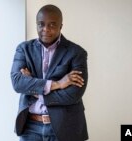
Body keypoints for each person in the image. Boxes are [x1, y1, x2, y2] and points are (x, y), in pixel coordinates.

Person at [10, 4, 88, 141]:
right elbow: (17, 83)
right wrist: (58, 84)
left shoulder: (76, 53)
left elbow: (74, 94)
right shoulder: (24, 49)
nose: (45, 29)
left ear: (61, 26)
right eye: (41, 24)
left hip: (65, 128)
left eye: (52, 25)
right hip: (30, 128)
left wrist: (33, 89)